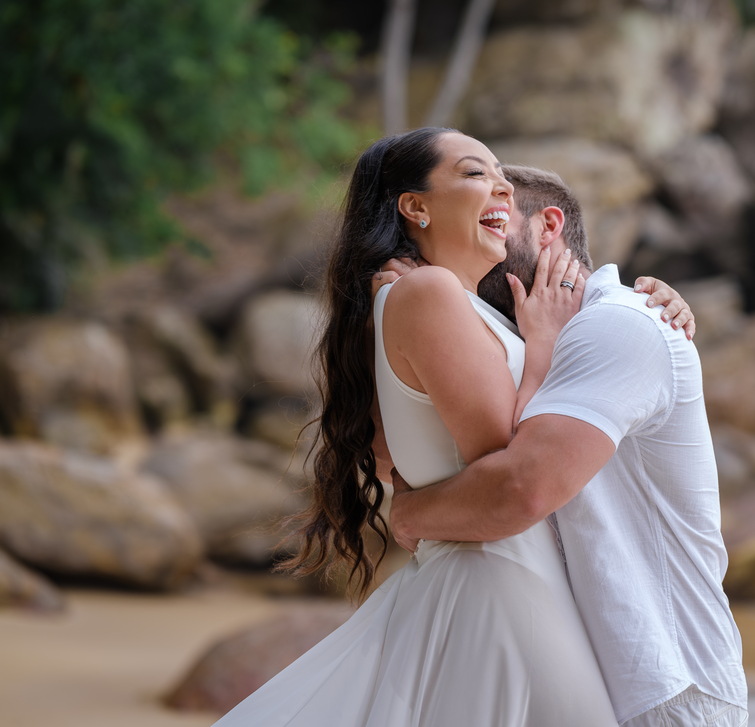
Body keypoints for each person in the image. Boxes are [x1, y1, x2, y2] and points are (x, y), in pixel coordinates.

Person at [212, 127, 695, 727]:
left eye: (502, 177)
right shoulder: (429, 292)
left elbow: (394, 454)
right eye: (474, 173)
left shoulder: (439, 301)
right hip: (501, 577)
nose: (500, 187)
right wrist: (543, 345)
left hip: (501, 572)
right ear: (415, 206)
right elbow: (507, 457)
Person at [388, 165, 749, 727]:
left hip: (665, 688)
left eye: (495, 222)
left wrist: (407, 516)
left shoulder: (620, 324)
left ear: (548, 226)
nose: (477, 241)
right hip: (571, 678)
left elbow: (521, 488)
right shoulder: (513, 343)